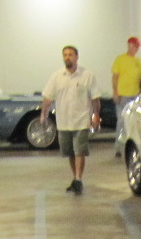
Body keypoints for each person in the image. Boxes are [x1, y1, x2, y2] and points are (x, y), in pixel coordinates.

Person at [42, 45, 100, 195]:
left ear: (77, 57)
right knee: (70, 153)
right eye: (65, 55)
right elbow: (48, 97)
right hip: (63, 122)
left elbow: (95, 98)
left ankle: (78, 179)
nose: (68, 57)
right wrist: (44, 113)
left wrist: (96, 115)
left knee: (79, 150)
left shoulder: (87, 75)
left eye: (71, 55)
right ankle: (75, 178)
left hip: (81, 120)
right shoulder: (57, 77)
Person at [110, 36, 141, 117]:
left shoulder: (138, 61)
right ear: (130, 45)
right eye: (136, 46)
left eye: (138, 47)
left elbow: (140, 78)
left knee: (133, 119)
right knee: (122, 118)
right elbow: (115, 77)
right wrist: (115, 92)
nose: (137, 49)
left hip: (135, 95)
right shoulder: (120, 59)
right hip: (123, 95)